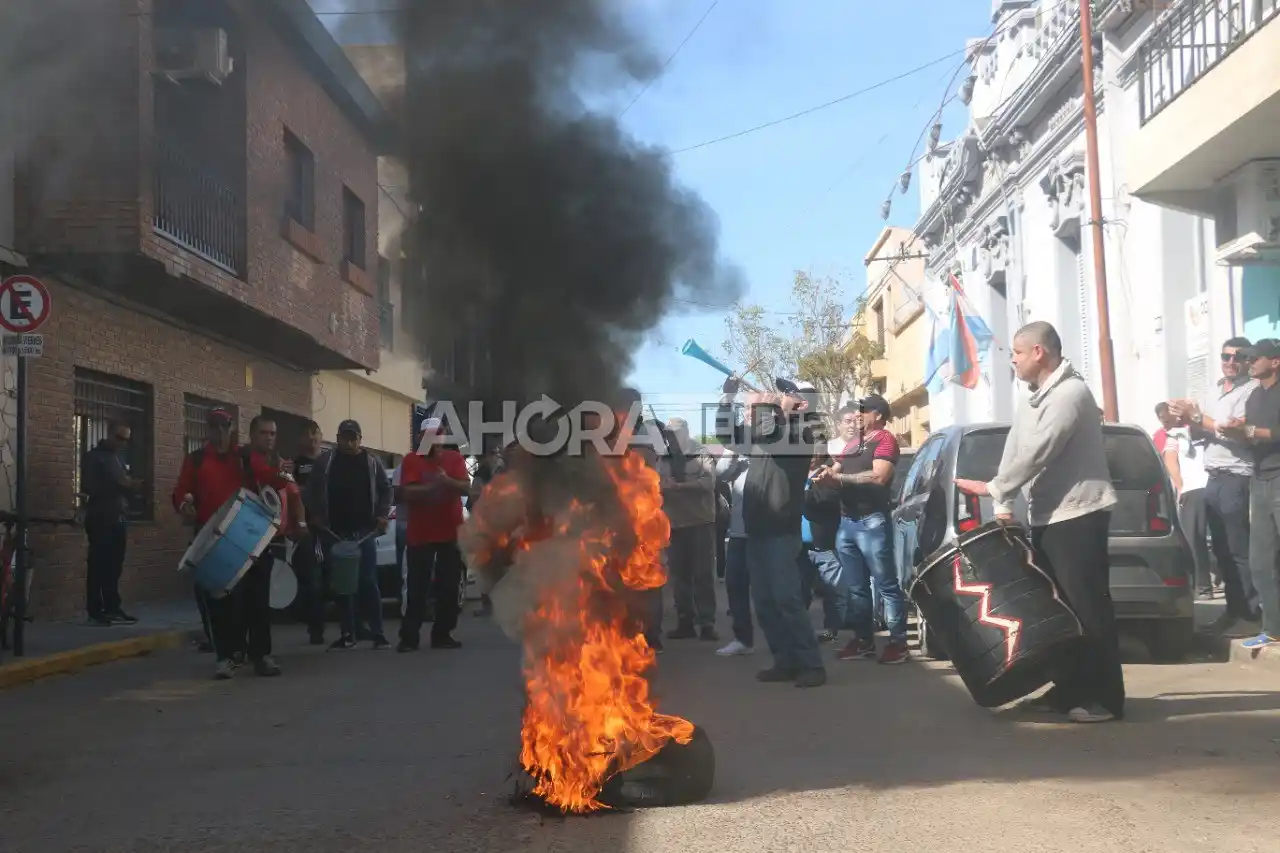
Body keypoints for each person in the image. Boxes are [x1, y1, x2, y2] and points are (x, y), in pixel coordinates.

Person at [954, 321, 1124, 723]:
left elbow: (1039, 451)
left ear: (1038, 352)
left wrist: (994, 487)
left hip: (1079, 514)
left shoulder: (1070, 393)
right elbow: (1016, 449)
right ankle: (1068, 691)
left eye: (1017, 352)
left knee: (1087, 609)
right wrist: (1003, 503)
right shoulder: (1032, 399)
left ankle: (1105, 699)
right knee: (1058, 612)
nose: (1012, 360)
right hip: (1048, 516)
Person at [716, 376, 826, 688]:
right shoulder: (764, 435)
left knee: (787, 600)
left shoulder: (800, 432)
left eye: (786, 394)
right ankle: (784, 660)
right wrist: (727, 399)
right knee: (764, 602)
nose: (779, 397)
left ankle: (811, 665)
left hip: (780, 531)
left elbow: (769, 430)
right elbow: (727, 435)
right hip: (756, 530)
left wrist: (766, 406)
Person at [174, 412, 293, 680]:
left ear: (231, 428)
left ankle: (261, 655)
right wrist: (184, 505)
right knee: (219, 602)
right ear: (207, 429)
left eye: (224, 426)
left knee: (257, 599)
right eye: (214, 426)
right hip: (213, 539)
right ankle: (226, 657)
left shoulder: (244, 456)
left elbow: (270, 478)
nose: (220, 431)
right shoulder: (196, 459)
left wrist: (285, 473)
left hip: (249, 535)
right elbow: (181, 492)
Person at [1169, 337, 1261, 634]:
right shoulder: (1213, 390)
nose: (1231, 362)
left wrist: (1201, 419)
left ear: (1248, 360)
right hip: (1213, 475)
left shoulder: (1252, 391)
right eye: (1225, 356)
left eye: (1238, 357)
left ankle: (1250, 613)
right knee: (1220, 548)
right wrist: (1187, 419)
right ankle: (1233, 610)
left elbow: (1235, 431)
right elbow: (1202, 431)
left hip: (1237, 474)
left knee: (1238, 548)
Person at [816, 396, 908, 664]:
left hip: (872, 522)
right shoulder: (853, 444)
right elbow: (835, 471)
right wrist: (825, 476)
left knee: (886, 585)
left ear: (878, 415)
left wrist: (839, 477)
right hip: (847, 523)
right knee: (856, 588)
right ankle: (864, 641)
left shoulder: (885, 440)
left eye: (863, 410)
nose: (858, 415)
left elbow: (880, 476)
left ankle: (898, 644)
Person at [303, 419, 392, 650]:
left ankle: (378, 634)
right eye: (345, 438)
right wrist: (315, 515)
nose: (350, 443)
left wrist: (382, 515)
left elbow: (386, 490)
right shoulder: (325, 462)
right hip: (335, 533)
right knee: (343, 586)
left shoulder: (372, 462)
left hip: (364, 533)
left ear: (360, 439)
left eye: (354, 438)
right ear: (338, 438)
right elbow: (310, 491)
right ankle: (348, 634)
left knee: (368, 582)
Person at [1216, 338, 1280, 649]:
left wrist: (1248, 431)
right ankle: (1274, 629)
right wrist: (1235, 429)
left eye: (1254, 358)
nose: (1248, 362)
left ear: (1275, 361)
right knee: (1260, 561)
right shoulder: (1254, 395)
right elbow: (1251, 434)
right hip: (1259, 478)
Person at [397, 418, 471, 652]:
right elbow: (408, 492)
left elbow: (466, 487)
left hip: (450, 532)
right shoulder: (411, 460)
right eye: (428, 435)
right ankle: (409, 638)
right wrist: (434, 486)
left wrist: (447, 480)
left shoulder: (454, 459)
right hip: (420, 535)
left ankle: (442, 634)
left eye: (438, 434)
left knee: (449, 587)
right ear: (420, 437)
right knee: (417, 588)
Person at [660, 417, 719, 642]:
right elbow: (655, 480)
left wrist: (680, 487)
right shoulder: (663, 457)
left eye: (674, 433)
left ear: (685, 432)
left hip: (699, 522)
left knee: (702, 574)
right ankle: (685, 622)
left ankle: (707, 624)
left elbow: (708, 483)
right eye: (668, 434)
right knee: (679, 576)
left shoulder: (701, 453)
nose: (671, 437)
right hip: (674, 524)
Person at [79, 420, 143, 626]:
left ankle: (112, 607)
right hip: (100, 518)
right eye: (119, 438)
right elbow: (89, 486)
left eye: (126, 439)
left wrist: (130, 486)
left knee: (114, 566)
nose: (123, 442)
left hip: (118, 517)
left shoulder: (118, 458)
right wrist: (119, 484)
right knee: (98, 564)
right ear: (109, 434)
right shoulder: (94, 457)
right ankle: (95, 611)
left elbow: (124, 486)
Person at [1155, 402, 1215, 597]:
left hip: (1212, 487)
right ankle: (1203, 586)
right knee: (1196, 540)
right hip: (1193, 489)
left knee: (1202, 540)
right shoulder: (1174, 435)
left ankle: (1209, 585)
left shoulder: (1206, 430)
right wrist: (1181, 487)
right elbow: (1170, 462)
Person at [802, 441, 847, 644]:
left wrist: (799, 495)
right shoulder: (797, 474)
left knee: (833, 589)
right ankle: (799, 630)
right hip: (798, 546)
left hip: (823, 544)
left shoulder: (828, 474)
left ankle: (832, 630)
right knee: (799, 591)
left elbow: (825, 499)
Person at [291, 420, 328, 644]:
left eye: (315, 433)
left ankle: (351, 626)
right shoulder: (294, 466)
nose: (312, 438)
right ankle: (316, 628)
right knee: (312, 580)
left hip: (332, 530)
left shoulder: (331, 461)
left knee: (340, 578)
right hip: (308, 531)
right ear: (300, 439)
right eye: (307, 434)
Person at [714, 449, 753, 656]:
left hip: (767, 532)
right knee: (735, 584)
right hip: (739, 531)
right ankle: (743, 639)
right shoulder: (739, 451)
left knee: (770, 591)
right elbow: (721, 473)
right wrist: (733, 449)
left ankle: (785, 641)